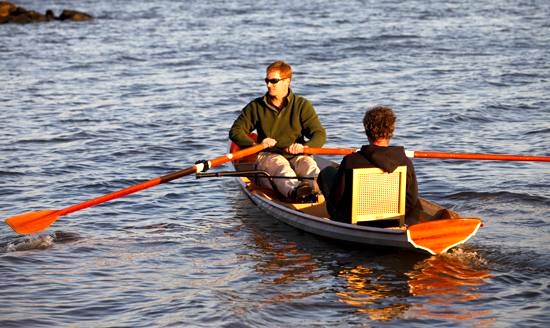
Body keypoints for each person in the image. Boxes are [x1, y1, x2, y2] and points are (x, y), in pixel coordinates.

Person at [229, 60, 326, 202]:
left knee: (309, 166)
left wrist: (305, 148)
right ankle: (296, 192)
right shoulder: (256, 106)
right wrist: (257, 144)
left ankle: (323, 190)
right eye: (267, 81)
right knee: (280, 165)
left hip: (297, 154)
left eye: (273, 81)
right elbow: (235, 132)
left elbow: (319, 134)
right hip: (269, 155)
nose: (269, 85)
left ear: (287, 82)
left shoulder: (302, 105)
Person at [317, 106, 420, 224]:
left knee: (327, 172)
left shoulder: (351, 161)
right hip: (393, 221)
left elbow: (337, 199)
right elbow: (411, 200)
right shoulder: (404, 161)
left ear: (366, 131)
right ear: (391, 131)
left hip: (356, 221)